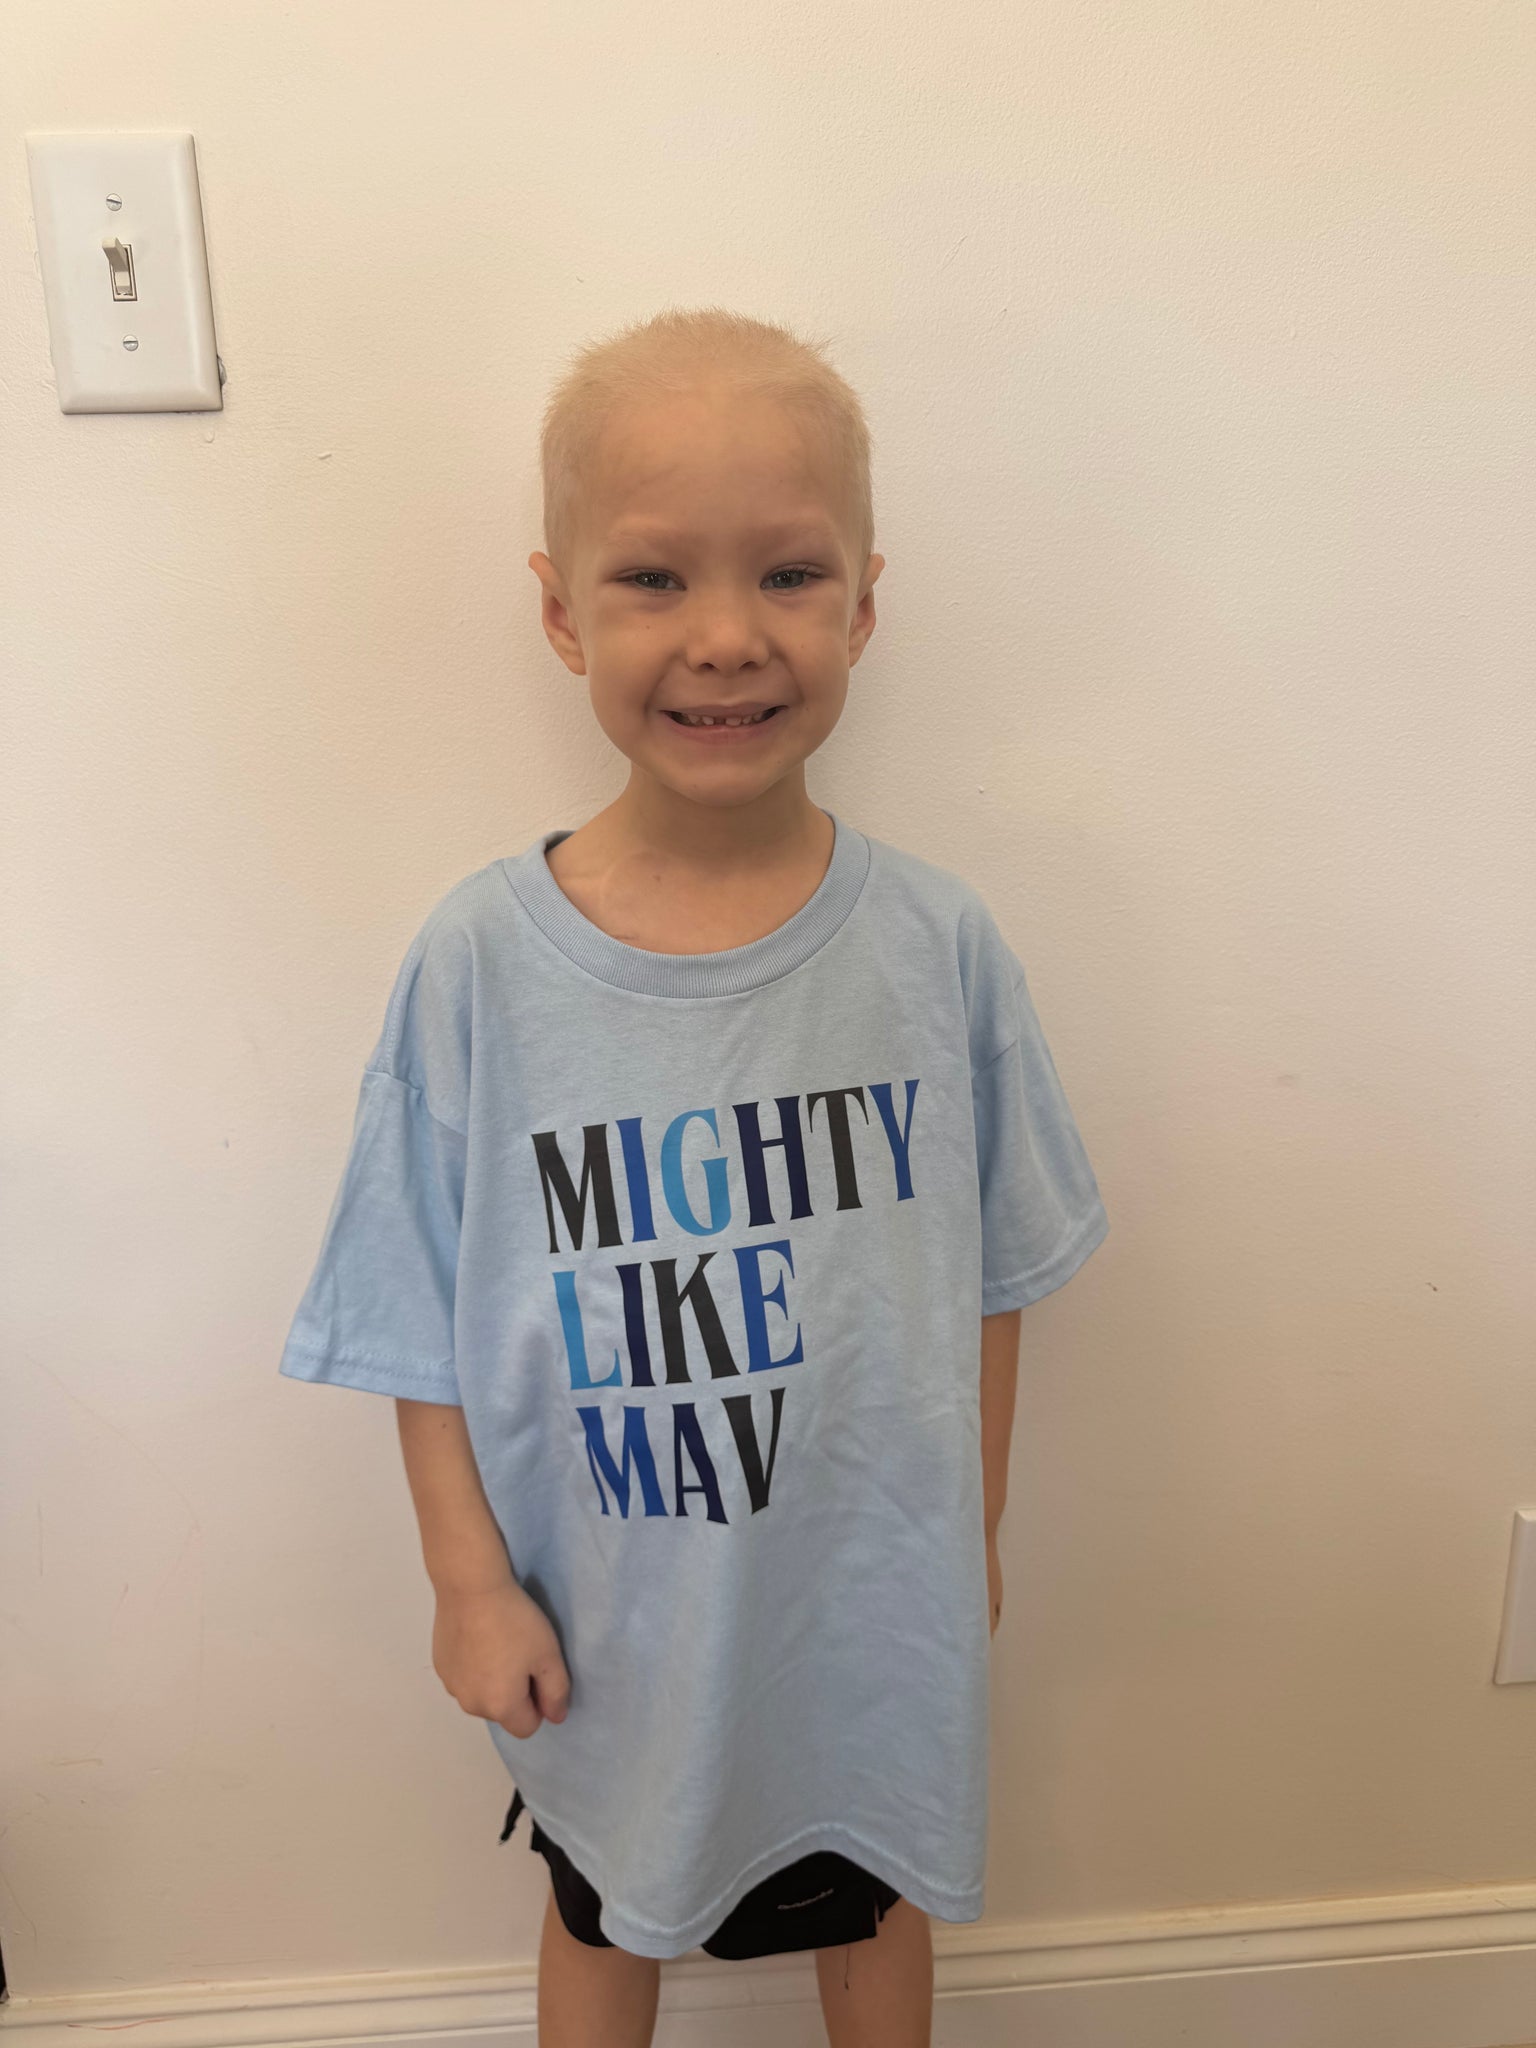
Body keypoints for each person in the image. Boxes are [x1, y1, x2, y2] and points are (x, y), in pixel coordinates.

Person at [278, 304, 1109, 2047]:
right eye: (654, 578)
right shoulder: (479, 969)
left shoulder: (938, 950)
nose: (726, 636)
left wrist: (970, 1535)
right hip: (609, 1622)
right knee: (603, 1907)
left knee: (877, 1889)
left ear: (865, 603)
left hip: (862, 1613)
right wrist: (466, 1583)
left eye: (789, 573)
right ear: (559, 608)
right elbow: (409, 1311)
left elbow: (993, 1275)